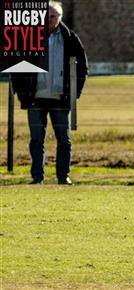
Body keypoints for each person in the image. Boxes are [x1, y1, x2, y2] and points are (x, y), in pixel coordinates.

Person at [11, 1, 88, 185]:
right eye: (45, 16)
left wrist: (74, 94)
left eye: (52, 16)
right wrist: (22, 95)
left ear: (60, 18)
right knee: (36, 140)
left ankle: (63, 177)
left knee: (64, 140)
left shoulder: (70, 39)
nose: (48, 20)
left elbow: (83, 68)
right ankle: (37, 177)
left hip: (60, 99)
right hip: (35, 98)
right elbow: (17, 68)